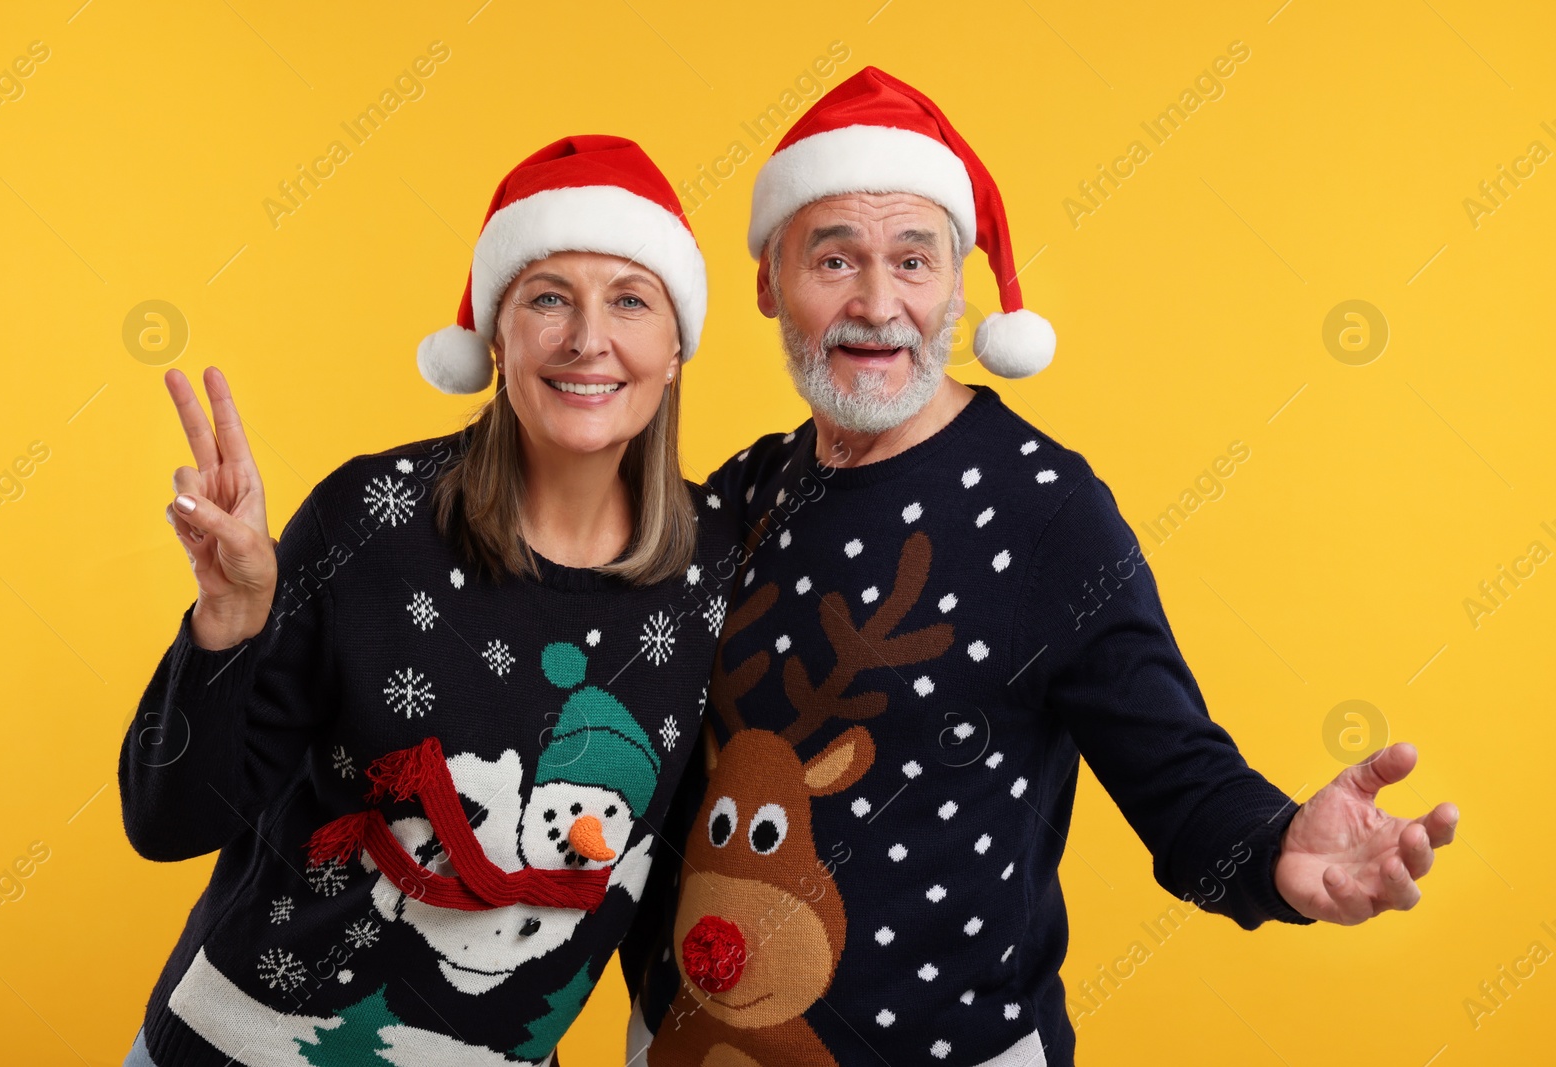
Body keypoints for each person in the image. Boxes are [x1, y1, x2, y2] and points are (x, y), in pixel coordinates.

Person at [621, 68, 1461, 1067]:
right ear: (767, 282)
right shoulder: (744, 491)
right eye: (834, 260)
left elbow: (1180, 778)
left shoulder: (1043, 508)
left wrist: (1279, 850)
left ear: (959, 286)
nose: (877, 305)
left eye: (913, 261)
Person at [117, 134, 736, 1067]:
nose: (587, 338)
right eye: (549, 297)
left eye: (630, 300)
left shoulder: (712, 576)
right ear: (497, 334)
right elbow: (166, 824)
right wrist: (230, 625)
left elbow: (657, 882)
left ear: (676, 345)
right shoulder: (373, 519)